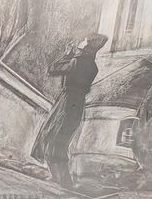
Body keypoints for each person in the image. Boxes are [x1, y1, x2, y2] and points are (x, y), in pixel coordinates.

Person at [31, 33, 109, 189]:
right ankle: (62, 180)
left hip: (67, 102)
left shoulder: (77, 62)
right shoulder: (92, 66)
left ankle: (62, 181)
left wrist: (66, 54)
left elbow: (52, 69)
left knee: (53, 138)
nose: (80, 42)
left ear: (87, 46)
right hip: (75, 103)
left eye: (83, 41)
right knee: (58, 140)